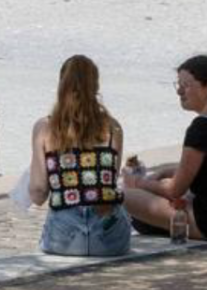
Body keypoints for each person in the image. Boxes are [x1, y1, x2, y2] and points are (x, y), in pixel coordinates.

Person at [124, 54, 207, 242]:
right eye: (178, 85)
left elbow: (174, 190)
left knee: (124, 196)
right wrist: (163, 172)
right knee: (151, 205)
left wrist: (139, 183)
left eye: (186, 85)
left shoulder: (203, 127)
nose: (179, 92)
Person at [29, 54, 132, 257]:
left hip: (63, 239)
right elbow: (108, 181)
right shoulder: (113, 128)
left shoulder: (44, 128)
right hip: (110, 239)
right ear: (96, 86)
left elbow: (38, 193)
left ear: (61, 85)